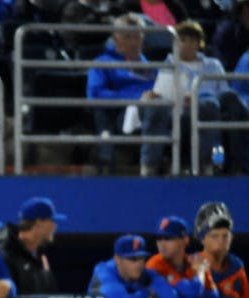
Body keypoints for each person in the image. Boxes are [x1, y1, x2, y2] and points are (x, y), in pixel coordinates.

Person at [141, 20, 240, 176]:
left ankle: (208, 165)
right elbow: (162, 91)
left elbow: (224, 92)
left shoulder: (213, 65)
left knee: (210, 105)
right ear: (175, 43)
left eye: (192, 40)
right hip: (177, 111)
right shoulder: (168, 65)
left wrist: (197, 97)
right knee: (156, 109)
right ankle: (149, 166)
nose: (188, 44)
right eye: (183, 40)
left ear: (199, 43)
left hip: (207, 108)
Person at [85, 13, 157, 173]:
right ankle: (149, 166)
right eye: (127, 37)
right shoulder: (102, 63)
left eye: (137, 36)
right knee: (153, 112)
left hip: (160, 111)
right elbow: (96, 95)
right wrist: (138, 99)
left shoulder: (153, 68)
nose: (133, 42)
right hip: (122, 116)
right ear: (115, 38)